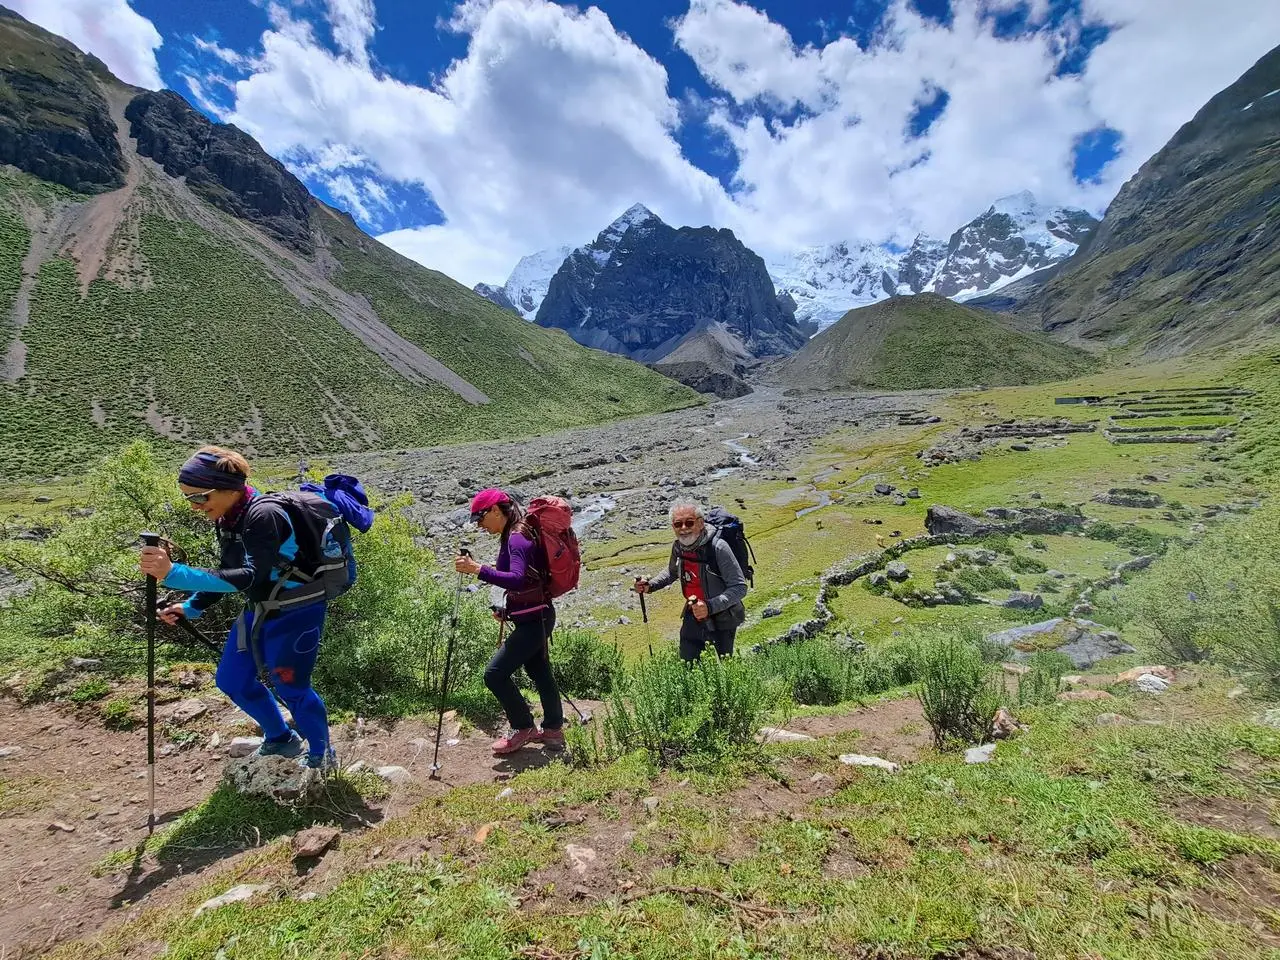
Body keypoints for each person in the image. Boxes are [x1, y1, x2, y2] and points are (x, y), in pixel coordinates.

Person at [137, 446, 335, 771]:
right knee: (232, 679)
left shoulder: (262, 515)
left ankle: (323, 755)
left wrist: (173, 574)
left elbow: (248, 575)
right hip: (261, 606)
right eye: (189, 498)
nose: (194, 507)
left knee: (292, 687)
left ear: (228, 490)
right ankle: (281, 739)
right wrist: (192, 607)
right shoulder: (230, 516)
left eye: (199, 497)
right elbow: (229, 568)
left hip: (298, 611)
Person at [454, 488, 564, 754]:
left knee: (494, 675)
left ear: (495, 510)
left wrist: (478, 570)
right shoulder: (517, 532)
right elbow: (526, 581)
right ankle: (552, 730)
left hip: (533, 619)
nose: (479, 525)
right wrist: (507, 610)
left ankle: (522, 727)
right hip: (535, 614)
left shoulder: (516, 537)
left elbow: (516, 578)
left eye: (480, 518)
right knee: (539, 672)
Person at [634, 500, 747, 661]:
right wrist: (650, 585)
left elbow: (739, 587)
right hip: (693, 613)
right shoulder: (679, 547)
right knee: (688, 663)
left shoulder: (718, 547)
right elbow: (672, 571)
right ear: (673, 527)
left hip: (723, 618)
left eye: (689, 522)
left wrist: (709, 606)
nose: (684, 528)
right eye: (678, 524)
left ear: (700, 523)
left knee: (723, 668)